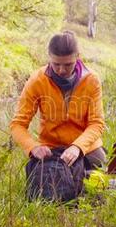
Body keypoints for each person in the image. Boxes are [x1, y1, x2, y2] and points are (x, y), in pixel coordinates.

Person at [10, 30, 106, 188]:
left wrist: (77, 147)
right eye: (56, 64)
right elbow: (17, 125)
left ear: (78, 56)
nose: (61, 70)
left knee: (103, 182)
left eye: (68, 64)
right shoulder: (37, 80)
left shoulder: (91, 80)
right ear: (49, 57)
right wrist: (33, 147)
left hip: (87, 147)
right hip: (52, 150)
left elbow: (96, 123)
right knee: (50, 187)